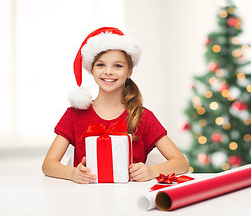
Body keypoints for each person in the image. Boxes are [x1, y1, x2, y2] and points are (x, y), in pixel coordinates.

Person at [42, 27, 189, 184]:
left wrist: (151, 171)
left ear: (129, 71)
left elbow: (181, 163)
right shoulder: (75, 115)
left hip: (130, 200)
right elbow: (48, 165)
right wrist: (72, 173)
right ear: (91, 69)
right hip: (85, 201)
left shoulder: (143, 117)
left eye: (118, 66)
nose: (109, 72)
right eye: (101, 65)